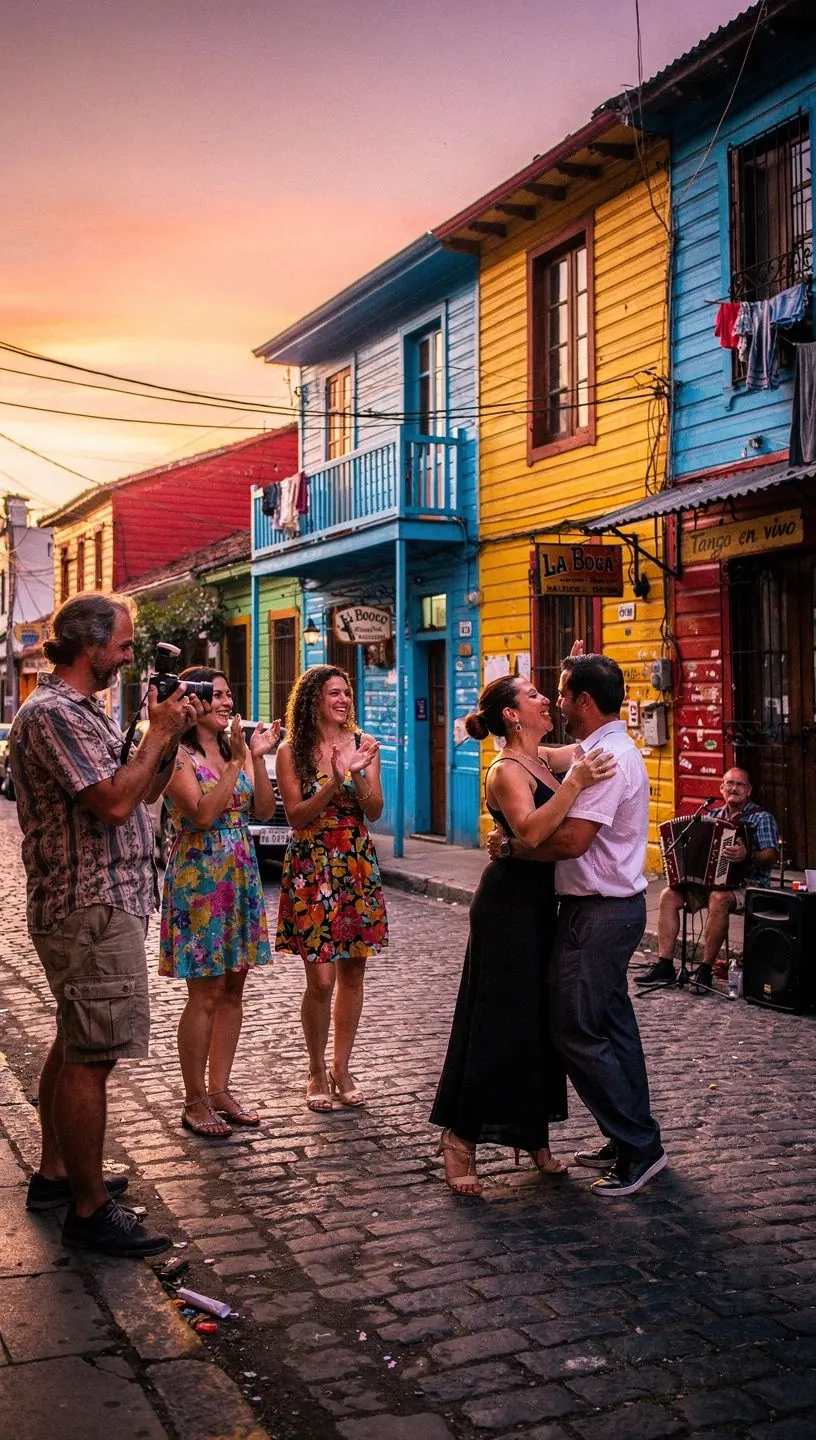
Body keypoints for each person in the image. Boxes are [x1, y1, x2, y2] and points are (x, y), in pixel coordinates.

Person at [9, 593, 199, 1256]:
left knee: (76, 1040)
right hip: (88, 904)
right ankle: (89, 1211)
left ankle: (58, 1174)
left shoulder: (83, 710)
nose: (127, 654)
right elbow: (117, 803)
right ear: (91, 649)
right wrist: (153, 736)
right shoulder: (53, 712)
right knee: (94, 1055)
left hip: (104, 899)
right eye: (122, 644)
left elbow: (142, 789)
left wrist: (166, 737)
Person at [430, 674, 616, 1195]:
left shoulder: (542, 757)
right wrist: (576, 784)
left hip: (539, 902)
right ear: (512, 715)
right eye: (533, 694)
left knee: (536, 1020)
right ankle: (458, 1137)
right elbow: (531, 831)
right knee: (495, 1019)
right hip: (506, 905)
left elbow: (589, 741)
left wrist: (580, 674)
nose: (543, 700)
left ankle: (532, 1134)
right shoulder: (505, 769)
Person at [488, 653, 666, 1198]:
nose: (558, 702)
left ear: (585, 703)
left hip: (599, 912)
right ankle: (628, 1137)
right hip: (608, 909)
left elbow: (571, 841)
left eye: (563, 694)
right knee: (613, 1027)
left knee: (574, 1030)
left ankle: (639, 1147)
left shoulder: (608, 759)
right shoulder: (596, 748)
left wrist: (512, 849)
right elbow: (537, 755)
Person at [159, 668, 280, 1136]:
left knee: (234, 987)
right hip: (200, 876)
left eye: (231, 693)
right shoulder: (179, 755)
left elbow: (264, 811)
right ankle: (193, 1100)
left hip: (240, 870)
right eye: (219, 695)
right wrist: (234, 763)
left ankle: (220, 1088)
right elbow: (205, 814)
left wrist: (255, 759)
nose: (228, 702)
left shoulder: (237, 749)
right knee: (205, 993)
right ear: (194, 701)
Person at [275, 664, 386, 1112]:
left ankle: (342, 1068)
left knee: (353, 974)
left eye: (347, 693)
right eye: (333, 693)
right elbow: (296, 816)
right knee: (320, 979)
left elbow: (375, 809)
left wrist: (357, 773)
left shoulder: (364, 744)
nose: (342, 700)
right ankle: (315, 1068)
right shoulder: (292, 751)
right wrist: (335, 779)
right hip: (313, 865)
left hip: (355, 863)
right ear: (312, 700)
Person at [642, 767, 779, 992]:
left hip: (750, 886)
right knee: (669, 895)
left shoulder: (761, 818)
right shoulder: (712, 817)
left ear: (749, 790)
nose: (734, 788)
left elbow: (771, 855)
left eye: (740, 785)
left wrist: (749, 855)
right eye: (729, 784)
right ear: (721, 788)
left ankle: (705, 969)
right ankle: (665, 965)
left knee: (718, 898)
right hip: (709, 884)